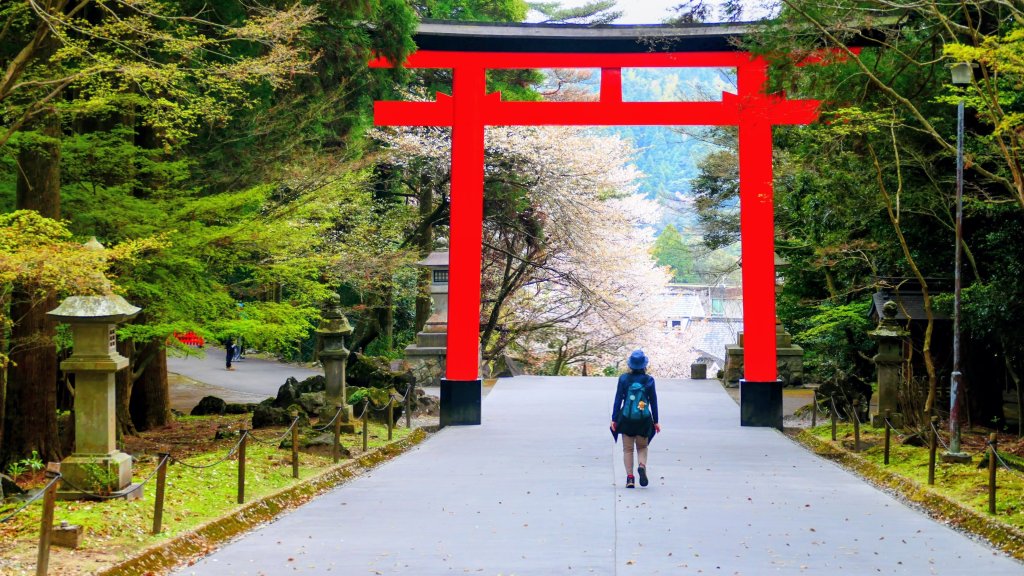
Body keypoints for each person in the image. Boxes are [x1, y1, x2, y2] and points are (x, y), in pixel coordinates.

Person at [610, 349, 660, 488]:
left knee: (628, 450)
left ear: (630, 365)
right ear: (644, 365)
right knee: (642, 447)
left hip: (627, 419)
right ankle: (642, 466)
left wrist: (614, 419)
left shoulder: (624, 379)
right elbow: (654, 402)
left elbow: (618, 399)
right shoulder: (649, 380)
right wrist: (656, 421)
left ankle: (630, 478)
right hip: (643, 420)